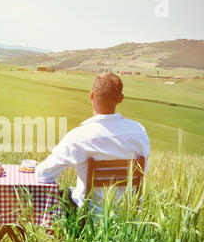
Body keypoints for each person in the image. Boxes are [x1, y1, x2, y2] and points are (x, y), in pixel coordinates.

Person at [35, 73, 151, 214]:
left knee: (63, 194)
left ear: (91, 96)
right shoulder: (139, 132)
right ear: (120, 99)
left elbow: (43, 174)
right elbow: (143, 171)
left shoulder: (78, 137)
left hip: (89, 220)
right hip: (129, 220)